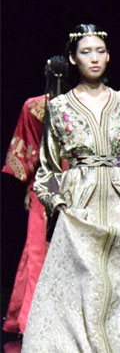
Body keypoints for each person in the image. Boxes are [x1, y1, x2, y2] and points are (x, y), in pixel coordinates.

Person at [22, 25, 120, 352]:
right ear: (72, 58)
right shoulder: (59, 107)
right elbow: (47, 169)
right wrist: (59, 205)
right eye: (85, 52)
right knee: (82, 290)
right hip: (79, 208)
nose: (94, 58)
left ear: (108, 56)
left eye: (100, 51)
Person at [1, 56, 67, 336]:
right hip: (72, 181)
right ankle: (38, 317)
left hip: (46, 181)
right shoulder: (77, 105)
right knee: (46, 249)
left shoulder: (34, 106)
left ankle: (27, 316)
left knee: (37, 250)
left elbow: (26, 151)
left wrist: (29, 183)